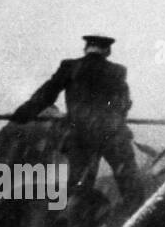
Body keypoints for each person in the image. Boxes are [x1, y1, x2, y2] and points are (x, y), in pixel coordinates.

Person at [10, 34, 143, 212]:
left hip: (81, 135)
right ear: (107, 51)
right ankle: (138, 222)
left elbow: (47, 94)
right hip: (112, 134)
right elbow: (124, 103)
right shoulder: (117, 71)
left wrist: (22, 114)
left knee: (80, 186)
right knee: (129, 183)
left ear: (86, 48)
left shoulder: (70, 67)